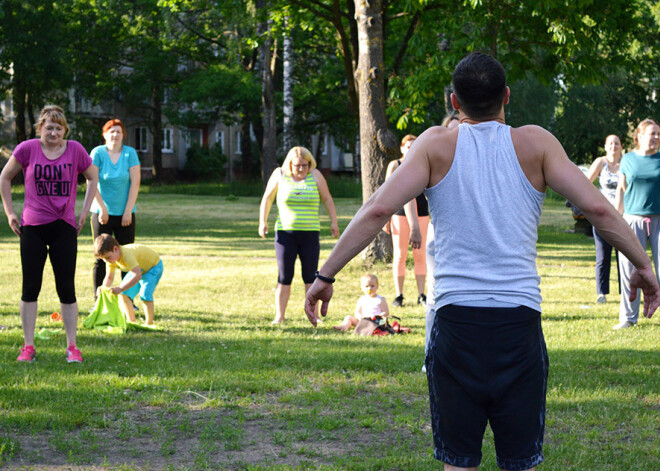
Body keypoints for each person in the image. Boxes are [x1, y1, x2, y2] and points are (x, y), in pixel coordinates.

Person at [305, 53, 660, 471]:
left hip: (455, 327)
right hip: (519, 326)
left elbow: (378, 209)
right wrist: (645, 267)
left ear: (455, 102)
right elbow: (599, 210)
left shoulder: (434, 144)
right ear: (506, 96)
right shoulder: (538, 144)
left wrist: (325, 274)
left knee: (459, 463)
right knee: (519, 463)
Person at [0, 105, 99, 363]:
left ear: (64, 130)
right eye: (48, 127)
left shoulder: (75, 150)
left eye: (58, 128)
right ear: (40, 129)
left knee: (66, 287)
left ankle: (72, 346)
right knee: (30, 286)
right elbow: (5, 177)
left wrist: (85, 211)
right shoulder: (27, 149)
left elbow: (92, 176)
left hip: (64, 227)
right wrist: (10, 212)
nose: (53, 132)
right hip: (32, 227)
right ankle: (28, 346)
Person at [258, 146, 340, 324]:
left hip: (310, 233)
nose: (301, 169)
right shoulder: (280, 174)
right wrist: (262, 221)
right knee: (284, 276)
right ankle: (279, 316)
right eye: (297, 165)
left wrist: (333, 221)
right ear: (290, 164)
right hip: (285, 234)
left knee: (310, 276)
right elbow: (267, 198)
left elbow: (327, 198)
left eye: (305, 164)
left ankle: (314, 316)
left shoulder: (316, 175)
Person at [613, 118, 660, 329]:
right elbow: (621, 191)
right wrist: (615, 219)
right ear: (639, 136)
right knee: (628, 268)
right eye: (652, 133)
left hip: (659, 220)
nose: (657, 138)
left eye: (658, 134)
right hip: (632, 220)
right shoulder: (628, 160)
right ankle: (628, 318)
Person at [423, 114, 460, 372]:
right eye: (454, 131)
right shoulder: (436, 157)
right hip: (439, 237)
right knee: (436, 296)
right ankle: (431, 355)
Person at [90, 119, 141, 295]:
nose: (115, 135)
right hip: (101, 214)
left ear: (123, 135)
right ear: (104, 135)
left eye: (119, 131)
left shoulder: (130, 154)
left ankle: (128, 300)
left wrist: (128, 210)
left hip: (125, 214)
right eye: (111, 131)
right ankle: (98, 299)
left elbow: (135, 183)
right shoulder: (97, 153)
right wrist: (102, 209)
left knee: (126, 258)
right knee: (101, 258)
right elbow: (92, 181)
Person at [385, 135, 429, 306]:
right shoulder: (395, 165)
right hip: (399, 214)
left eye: (414, 146)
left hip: (422, 213)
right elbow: (387, 191)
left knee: (420, 254)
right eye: (408, 146)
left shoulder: (423, 164)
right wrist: (386, 217)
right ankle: (399, 295)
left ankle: (421, 294)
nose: (411, 149)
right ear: (402, 148)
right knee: (400, 255)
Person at [94, 234, 163, 325]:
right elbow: (109, 277)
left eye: (107, 257)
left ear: (115, 249)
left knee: (145, 294)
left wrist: (121, 288)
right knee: (123, 294)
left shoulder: (127, 255)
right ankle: (131, 321)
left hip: (153, 267)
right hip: (138, 270)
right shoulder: (111, 260)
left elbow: (137, 276)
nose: (106, 261)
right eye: (103, 259)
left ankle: (149, 323)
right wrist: (103, 288)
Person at [585, 135, 622, 303]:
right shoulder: (601, 162)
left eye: (616, 143)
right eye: (610, 143)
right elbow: (585, 183)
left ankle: (626, 291)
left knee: (624, 256)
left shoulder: (626, 163)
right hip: (603, 217)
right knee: (603, 256)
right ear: (605, 146)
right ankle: (602, 293)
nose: (613, 146)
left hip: (623, 217)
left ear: (621, 146)